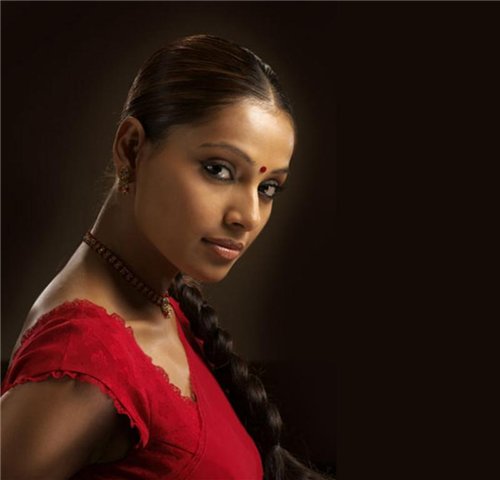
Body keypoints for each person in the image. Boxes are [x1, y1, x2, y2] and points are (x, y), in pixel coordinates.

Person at [1, 34, 330, 480]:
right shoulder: (84, 358)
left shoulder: (161, 303)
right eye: (219, 170)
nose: (248, 216)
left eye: (267, 187)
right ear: (132, 149)